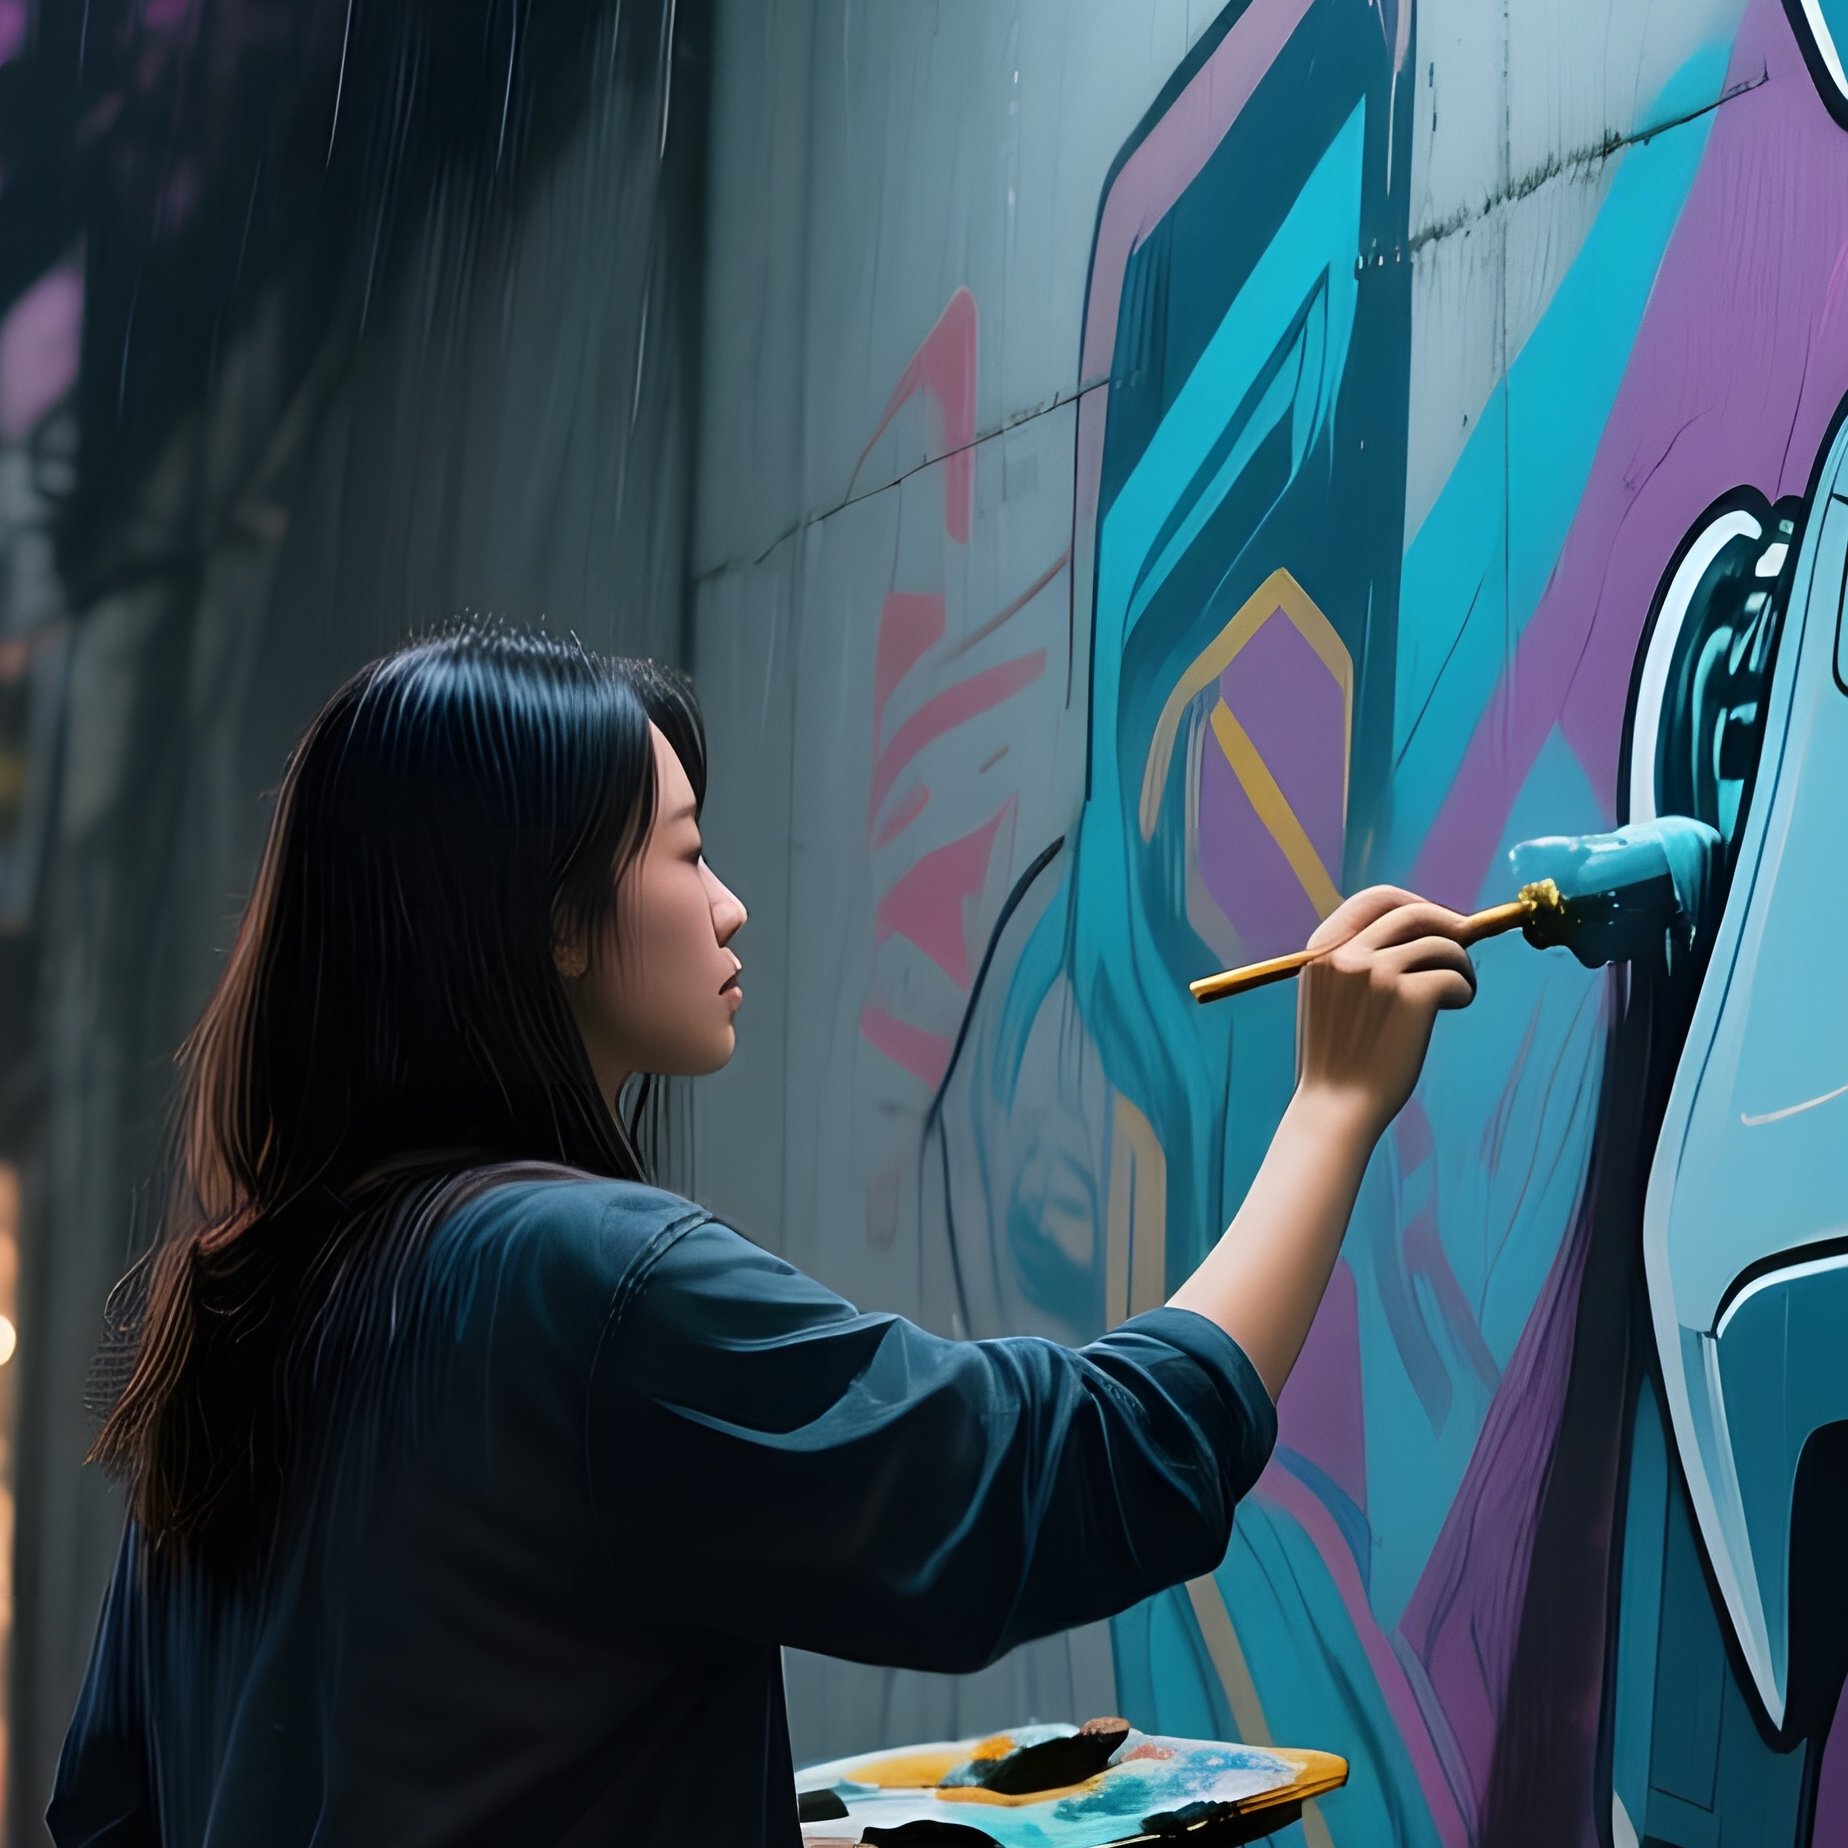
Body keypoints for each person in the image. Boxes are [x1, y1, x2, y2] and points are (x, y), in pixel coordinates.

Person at [46, 622, 1477, 1847]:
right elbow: (1077, 1475)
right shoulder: (582, 1284)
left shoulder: (258, 1306)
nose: (730, 906)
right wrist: (1331, 1112)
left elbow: (110, 1814)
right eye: (686, 852)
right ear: (555, 919)